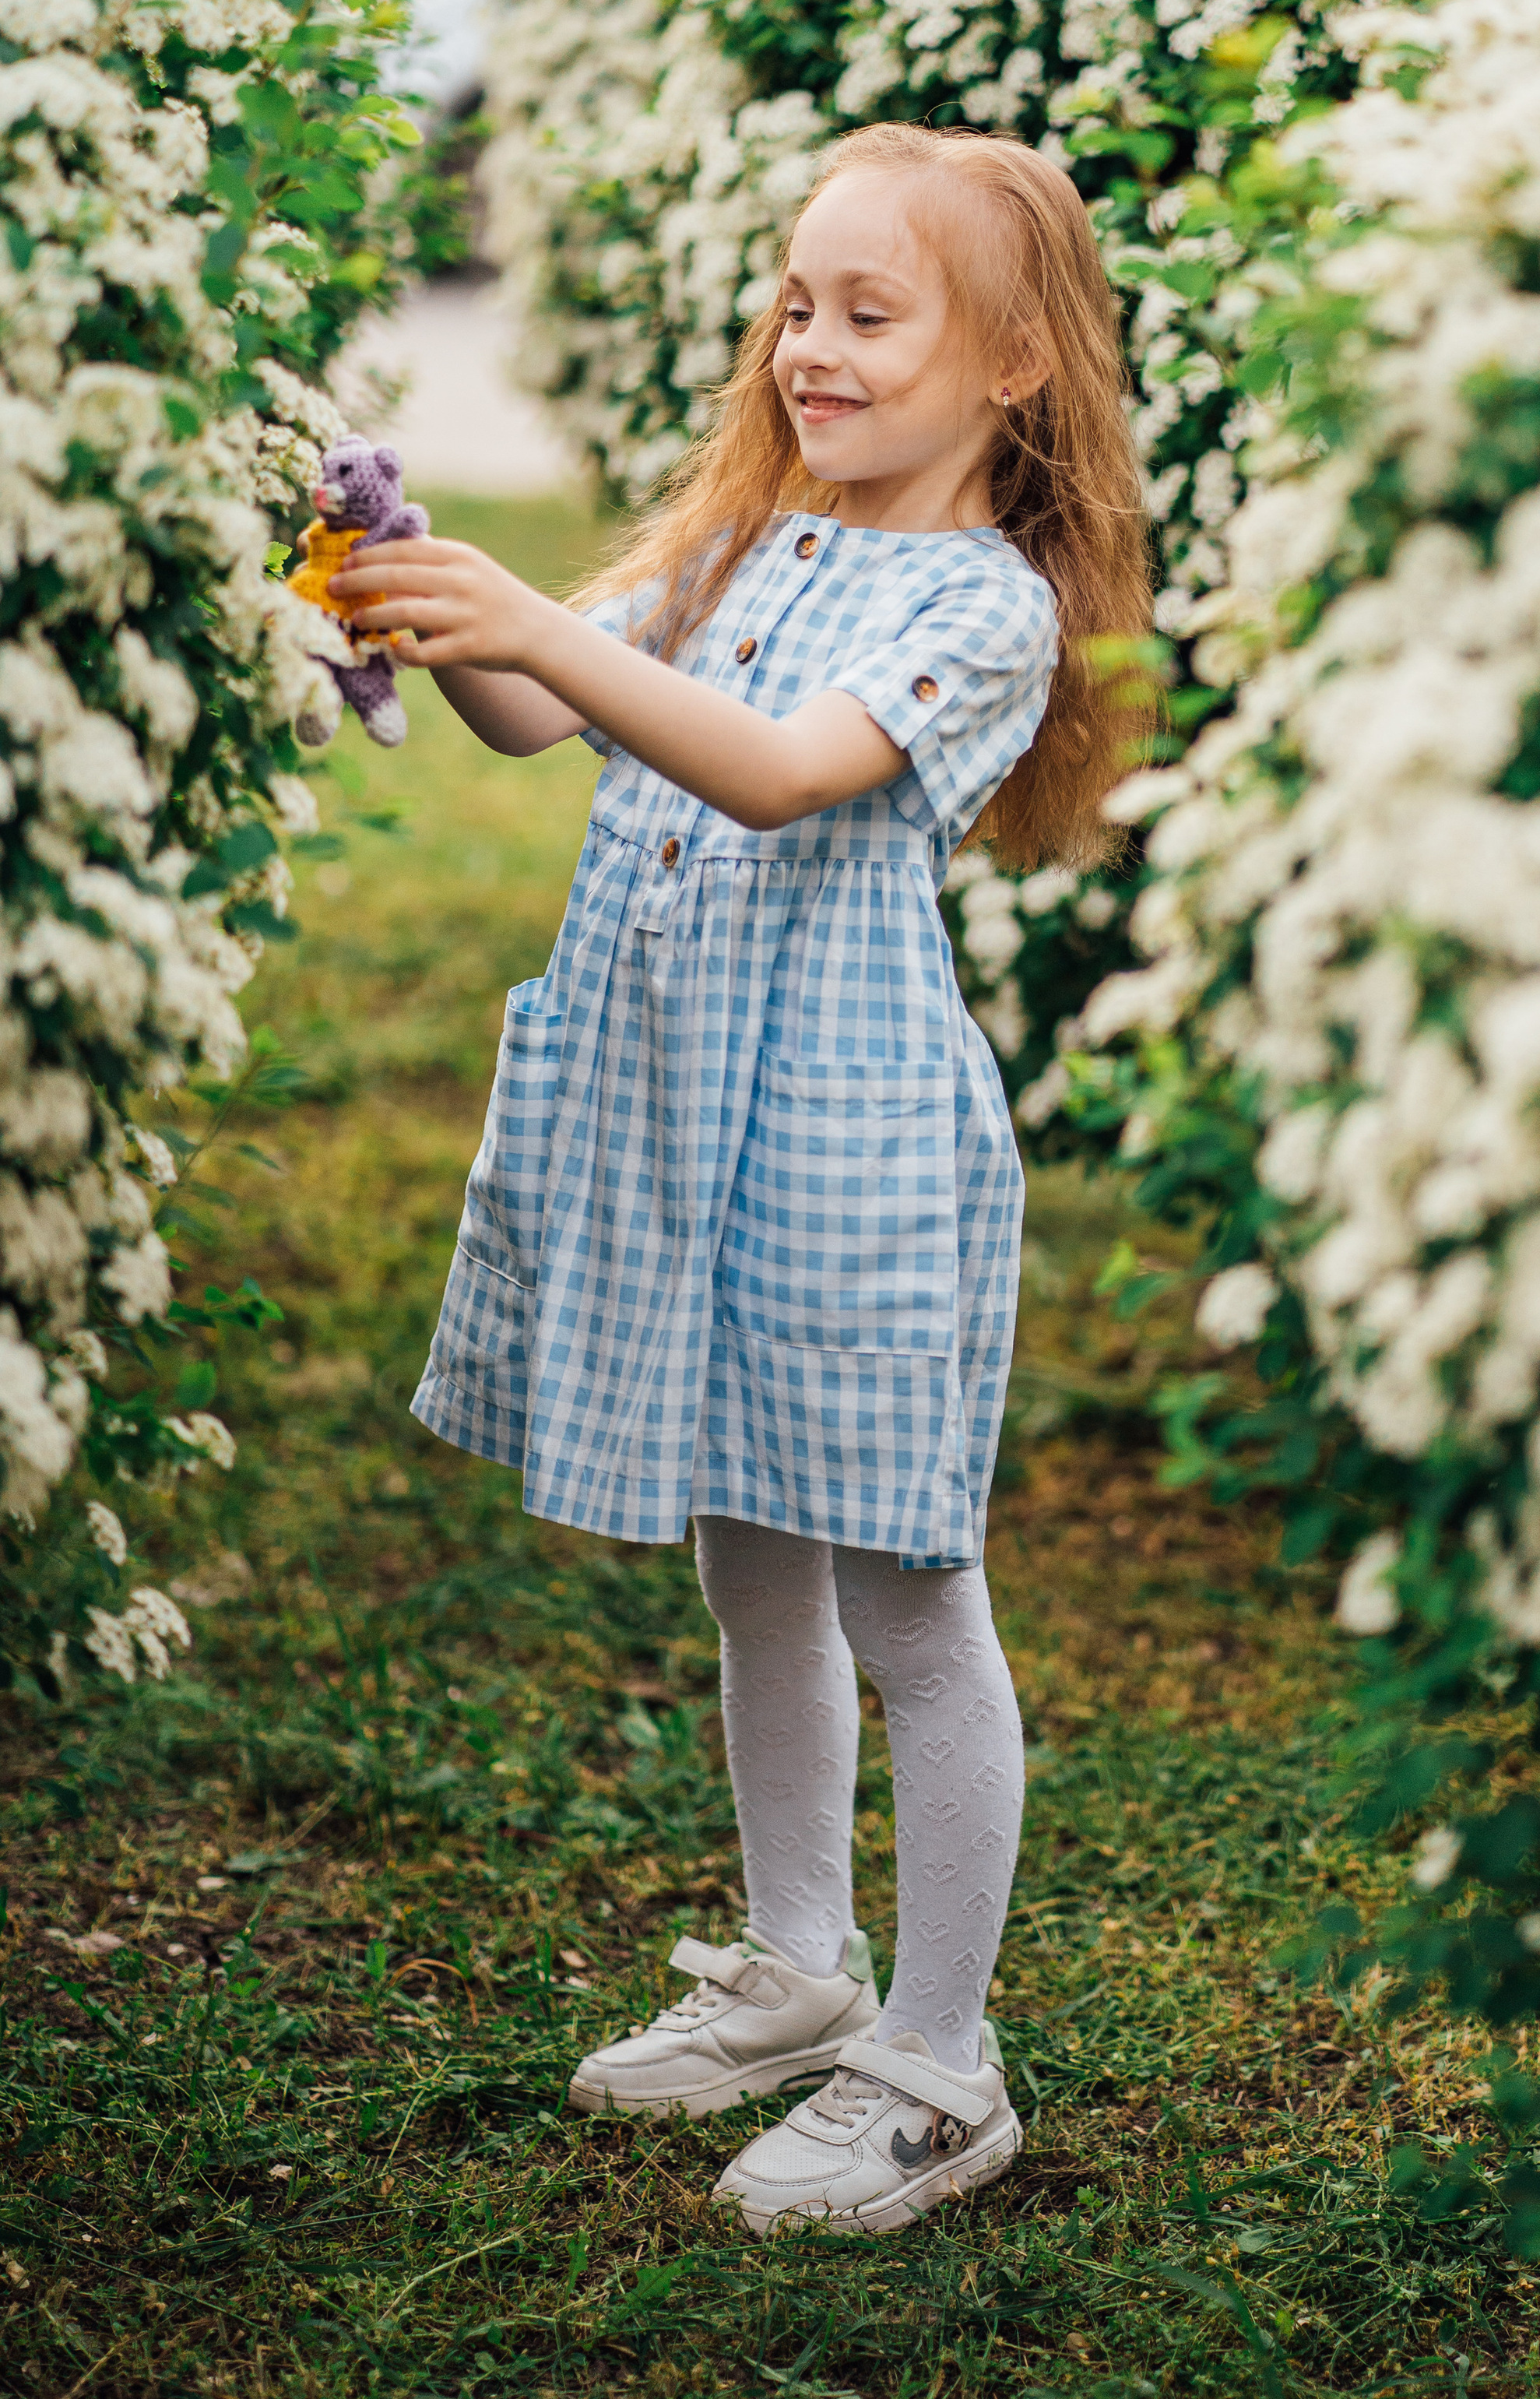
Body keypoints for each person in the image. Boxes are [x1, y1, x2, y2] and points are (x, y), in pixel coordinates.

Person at [331, 121, 1154, 2236]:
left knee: (905, 1590)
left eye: (871, 312)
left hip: (846, 1149)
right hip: (686, 1119)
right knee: (751, 1565)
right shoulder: (749, 546)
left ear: (1011, 373)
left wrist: (543, 613)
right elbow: (533, 713)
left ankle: (942, 2065)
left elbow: (778, 776)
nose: (811, 342)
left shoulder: (980, 603)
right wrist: (408, 582)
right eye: (799, 300)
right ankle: (802, 1970)